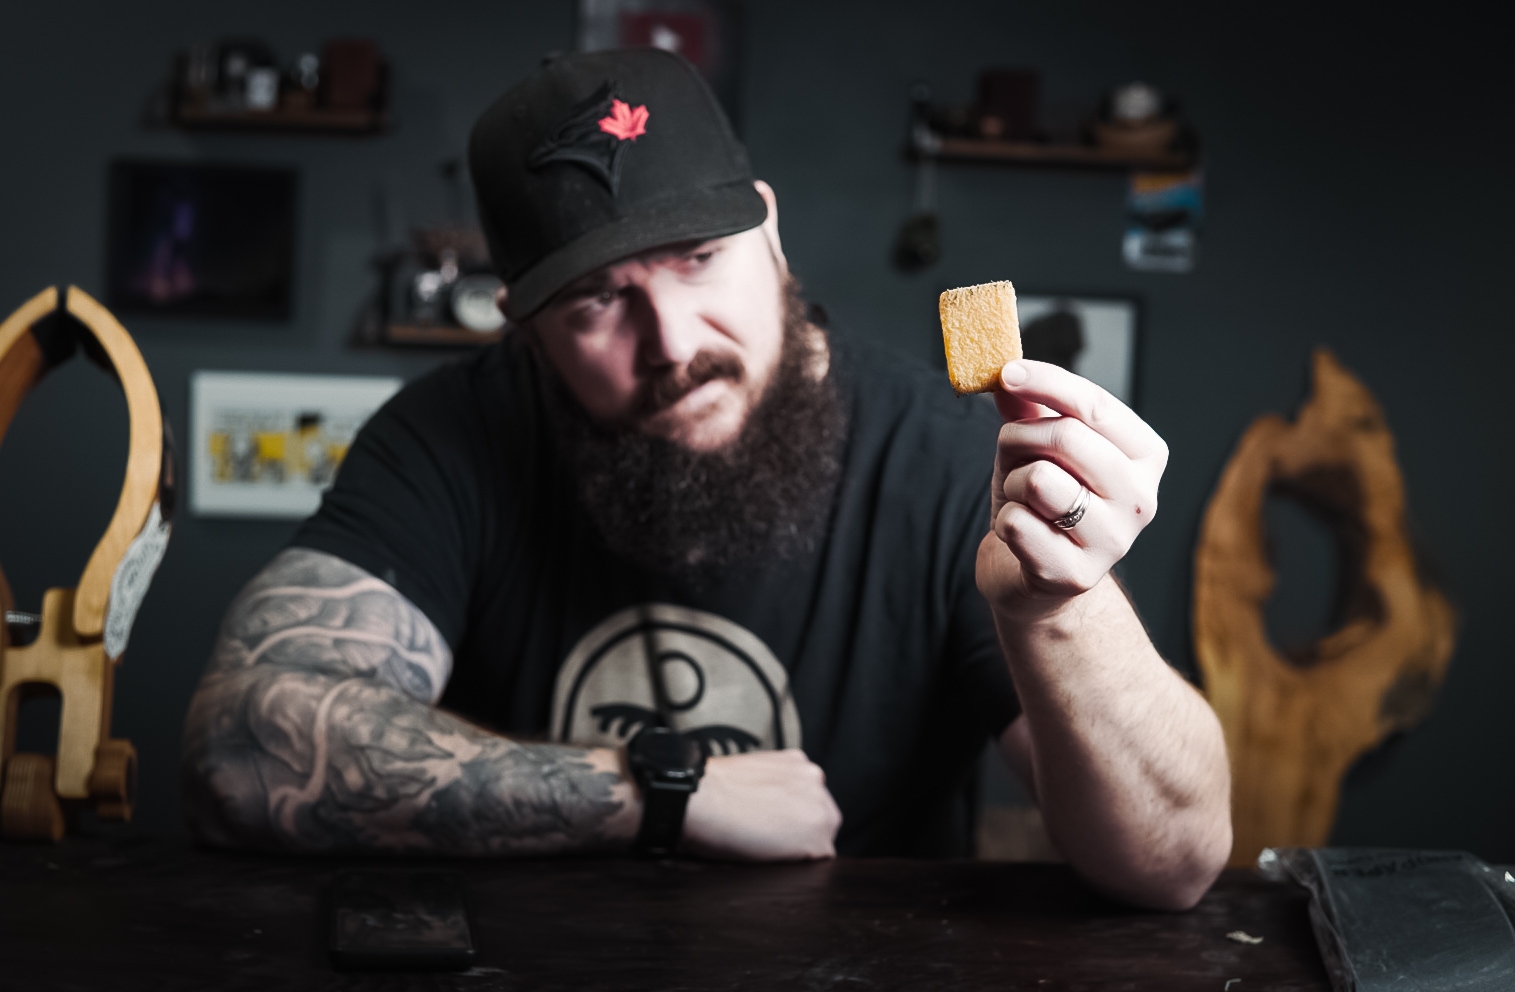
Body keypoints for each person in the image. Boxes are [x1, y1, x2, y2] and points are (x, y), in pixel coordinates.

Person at [181, 48, 1230, 910]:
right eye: (594, 301)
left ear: (767, 231)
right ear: (522, 325)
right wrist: (658, 791)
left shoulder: (948, 457)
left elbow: (1175, 862)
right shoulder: (449, 437)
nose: (670, 341)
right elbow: (243, 746)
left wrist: (1054, 609)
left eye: (695, 257)